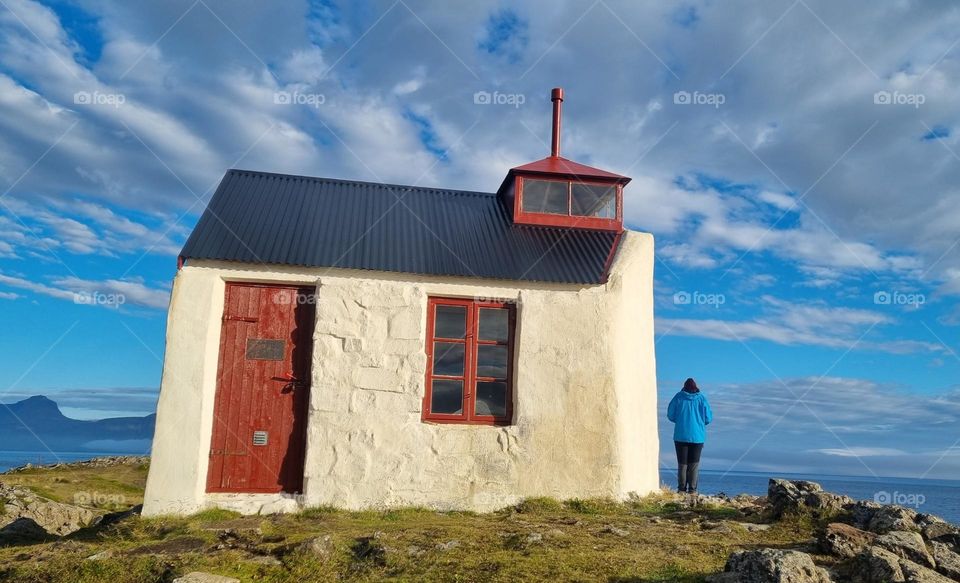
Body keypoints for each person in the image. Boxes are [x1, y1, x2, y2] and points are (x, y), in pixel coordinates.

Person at [667, 378, 713, 496]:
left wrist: (680, 420)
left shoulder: (678, 397)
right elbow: (708, 418)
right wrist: (699, 423)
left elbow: (670, 415)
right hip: (697, 436)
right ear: (696, 387)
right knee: (693, 464)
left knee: (682, 464)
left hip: (680, 435)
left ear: (684, 387)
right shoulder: (702, 398)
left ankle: (681, 490)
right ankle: (692, 490)